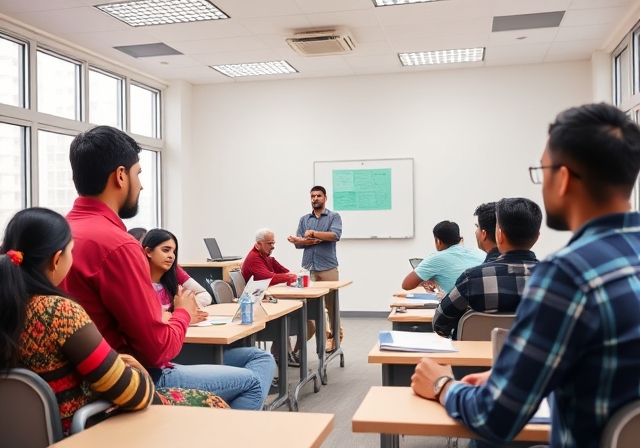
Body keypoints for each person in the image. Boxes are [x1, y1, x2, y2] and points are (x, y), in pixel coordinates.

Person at [411, 103, 640, 448]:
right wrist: (514, 373)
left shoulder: (567, 275)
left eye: (541, 169)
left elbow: (495, 418)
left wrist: (443, 385)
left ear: (562, 178)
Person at [60, 125, 274, 411]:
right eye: (138, 174)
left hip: (83, 387)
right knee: (252, 382)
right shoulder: (118, 245)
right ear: (120, 176)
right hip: (133, 382)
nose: (141, 185)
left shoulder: (60, 235)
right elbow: (157, 349)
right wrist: (183, 312)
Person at [0, 208, 227, 436]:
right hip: (86, 430)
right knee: (213, 403)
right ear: (57, 259)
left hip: (27, 436)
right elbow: (133, 393)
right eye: (72, 252)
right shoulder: (59, 313)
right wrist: (133, 367)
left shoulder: (11, 308)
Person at [433, 198, 541, 339]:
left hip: (475, 360)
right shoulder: (555, 278)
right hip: (532, 360)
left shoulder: (473, 278)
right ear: (537, 237)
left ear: (499, 235)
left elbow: (439, 324)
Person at [242, 228, 316, 366]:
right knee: (292, 319)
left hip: (266, 300)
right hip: (257, 306)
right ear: (258, 244)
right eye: (270, 243)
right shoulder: (254, 259)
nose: (273, 246)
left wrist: (289, 275)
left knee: (305, 319)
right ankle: (280, 354)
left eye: (273, 243)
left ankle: (286, 353)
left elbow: (284, 271)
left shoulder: (267, 257)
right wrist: (287, 276)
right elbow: (269, 278)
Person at [288, 185, 343, 351]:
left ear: (325, 198)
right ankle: (319, 336)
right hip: (308, 268)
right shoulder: (304, 219)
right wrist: (298, 240)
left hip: (327, 267)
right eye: (312, 196)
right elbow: (300, 243)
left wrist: (313, 234)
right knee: (310, 307)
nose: (315, 199)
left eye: (318, 196)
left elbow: (335, 235)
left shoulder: (334, 216)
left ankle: (335, 337)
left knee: (331, 306)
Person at [142, 229, 213, 316]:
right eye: (165, 250)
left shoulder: (173, 271)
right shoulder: (136, 280)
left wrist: (182, 310)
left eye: (174, 252)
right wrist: (180, 314)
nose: (171, 256)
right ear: (148, 252)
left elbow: (205, 295)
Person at [402, 221, 485, 294]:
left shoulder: (436, 259)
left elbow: (406, 285)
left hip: (461, 309)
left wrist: (424, 279)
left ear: (438, 241)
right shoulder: (480, 253)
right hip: (485, 306)